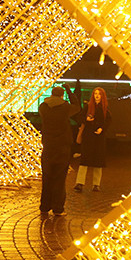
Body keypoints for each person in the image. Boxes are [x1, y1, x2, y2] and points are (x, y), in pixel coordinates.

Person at [38, 84, 80, 217]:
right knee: (59, 179)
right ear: (62, 96)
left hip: (48, 147)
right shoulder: (65, 107)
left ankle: (44, 206)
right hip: (62, 147)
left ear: (51, 94)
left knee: (47, 177)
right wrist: (69, 90)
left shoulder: (43, 107)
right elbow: (77, 106)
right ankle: (58, 208)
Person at [74, 87, 111, 192]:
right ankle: (80, 183)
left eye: (99, 94)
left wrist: (102, 128)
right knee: (84, 160)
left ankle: (96, 184)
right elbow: (79, 117)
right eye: (95, 94)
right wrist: (86, 119)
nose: (97, 96)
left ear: (102, 96)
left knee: (98, 161)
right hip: (88, 137)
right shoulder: (88, 106)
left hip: (99, 138)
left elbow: (108, 120)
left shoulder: (105, 108)